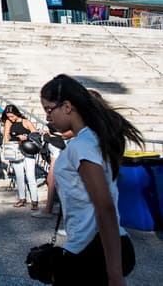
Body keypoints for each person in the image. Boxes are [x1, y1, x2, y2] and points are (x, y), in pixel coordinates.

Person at [40, 74, 143, 285]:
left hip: (91, 248)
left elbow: (104, 207)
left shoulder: (83, 145)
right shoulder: (87, 141)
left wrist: (115, 274)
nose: (48, 117)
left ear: (67, 106)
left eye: (49, 109)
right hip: (88, 245)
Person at [1, 103, 40, 210]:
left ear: (16, 113)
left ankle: (34, 200)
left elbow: (36, 134)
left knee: (30, 176)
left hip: (27, 150)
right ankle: (22, 198)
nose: (11, 118)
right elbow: (6, 136)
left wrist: (26, 136)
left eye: (12, 116)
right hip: (15, 151)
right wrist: (7, 150)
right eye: (9, 116)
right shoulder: (8, 122)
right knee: (19, 176)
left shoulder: (25, 121)